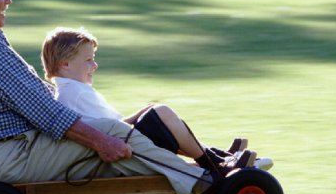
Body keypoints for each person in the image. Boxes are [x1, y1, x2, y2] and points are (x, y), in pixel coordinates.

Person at [0, 0, 252, 194]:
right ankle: (210, 185)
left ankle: (208, 163)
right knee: (115, 134)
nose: (8, 0)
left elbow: (37, 101)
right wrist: (102, 140)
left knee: (113, 130)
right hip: (7, 158)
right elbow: (48, 113)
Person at [40, 27, 273, 172]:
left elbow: (112, 123)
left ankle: (218, 155)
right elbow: (114, 129)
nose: (95, 65)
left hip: (120, 142)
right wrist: (149, 113)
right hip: (120, 151)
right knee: (161, 112)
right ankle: (214, 163)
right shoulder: (75, 93)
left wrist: (144, 112)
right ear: (66, 64)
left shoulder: (72, 90)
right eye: (88, 60)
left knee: (155, 112)